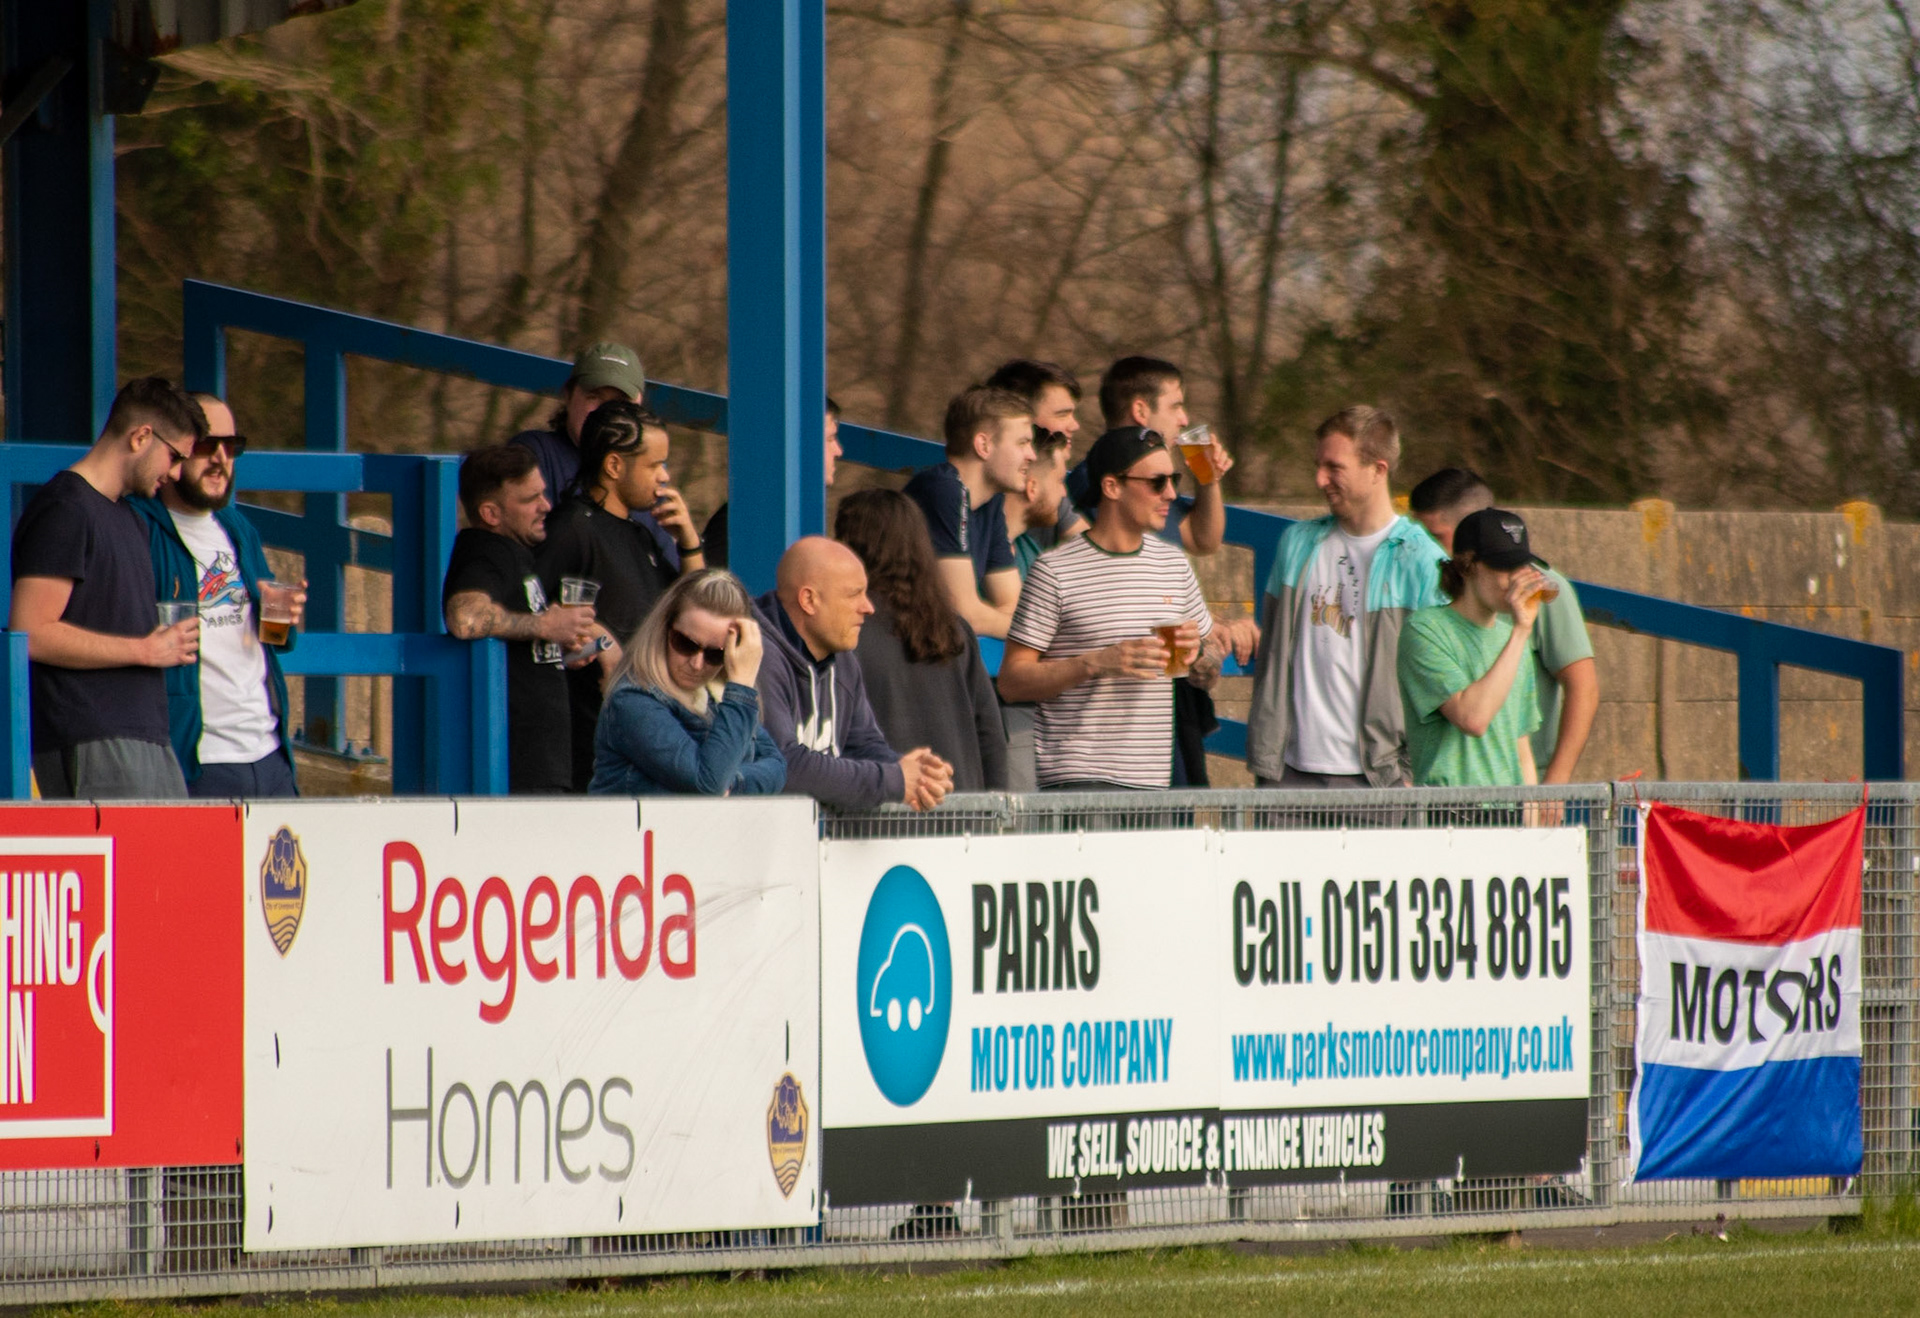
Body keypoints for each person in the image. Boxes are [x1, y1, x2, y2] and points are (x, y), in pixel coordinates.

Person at [1066, 356, 1258, 786]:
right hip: (1119, 705)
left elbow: (1204, 539)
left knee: (1178, 810)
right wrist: (1207, 624)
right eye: (1176, 405)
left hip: (1170, 690)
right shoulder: (1097, 480)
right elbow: (1108, 573)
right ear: (1140, 410)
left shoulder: (1156, 481)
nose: (1185, 419)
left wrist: (1208, 480)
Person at [9, 377, 204, 799]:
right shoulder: (66, 508)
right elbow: (31, 632)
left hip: (148, 736)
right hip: (91, 734)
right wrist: (144, 650)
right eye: (174, 457)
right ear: (141, 436)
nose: (175, 474)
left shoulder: (130, 518)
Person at [997, 427, 1219, 791]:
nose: (1171, 493)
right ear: (1112, 487)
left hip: (1152, 783)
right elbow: (1011, 682)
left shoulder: (1174, 564)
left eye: (1174, 480)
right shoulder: (1054, 571)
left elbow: (1209, 659)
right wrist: (1095, 663)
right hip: (1077, 781)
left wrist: (1201, 662)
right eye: (1157, 482)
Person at [1245, 406, 1447, 788]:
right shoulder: (1295, 544)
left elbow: (1443, 682)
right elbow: (1271, 648)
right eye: (1318, 466)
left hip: (1380, 778)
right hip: (1286, 773)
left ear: (1378, 470)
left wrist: (1410, 773)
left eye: (1334, 467)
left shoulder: (1423, 561)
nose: (1319, 479)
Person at [130, 394, 307, 797]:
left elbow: (273, 639)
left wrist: (280, 614)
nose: (221, 459)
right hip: (198, 757)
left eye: (232, 447)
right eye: (207, 445)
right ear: (175, 448)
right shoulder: (138, 526)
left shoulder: (237, 526)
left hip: (269, 750)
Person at [1408, 467, 1598, 784]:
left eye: (1437, 537)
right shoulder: (1426, 613)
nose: (1427, 550)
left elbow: (1583, 687)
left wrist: (1554, 784)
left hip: (1524, 783)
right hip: (1452, 791)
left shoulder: (1541, 589)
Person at [537, 402, 684, 790]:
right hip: (589, 753)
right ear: (615, 466)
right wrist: (597, 638)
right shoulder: (571, 528)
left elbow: (695, 615)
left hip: (649, 745)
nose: (665, 476)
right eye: (655, 465)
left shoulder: (641, 534)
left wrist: (689, 543)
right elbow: (531, 610)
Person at [443, 445, 603, 794]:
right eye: (531, 499)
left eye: (543, 493)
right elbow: (464, 617)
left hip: (545, 767)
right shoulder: (485, 552)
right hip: (516, 773)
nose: (546, 505)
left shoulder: (516, 554)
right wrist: (544, 625)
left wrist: (561, 645)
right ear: (491, 513)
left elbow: (519, 647)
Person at [752, 537, 953, 809]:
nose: (868, 607)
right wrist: (893, 779)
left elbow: (861, 745)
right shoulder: (757, 655)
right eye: (853, 594)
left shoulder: (842, 658)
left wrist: (915, 775)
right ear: (809, 600)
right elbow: (781, 764)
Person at [834, 489, 1008, 792]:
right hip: (962, 806)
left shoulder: (847, 630)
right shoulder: (955, 629)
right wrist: (996, 808)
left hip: (881, 805)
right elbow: (990, 735)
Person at [590, 569, 786, 796]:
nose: (696, 663)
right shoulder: (632, 700)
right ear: (664, 629)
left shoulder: (720, 696)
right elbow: (708, 782)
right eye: (686, 643)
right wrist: (741, 687)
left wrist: (731, 783)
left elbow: (777, 766)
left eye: (715, 654)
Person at [509, 342, 703, 572]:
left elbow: (680, 588)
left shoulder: (646, 479)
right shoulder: (535, 452)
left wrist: (689, 545)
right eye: (595, 397)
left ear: (640, 407)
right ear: (568, 395)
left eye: (621, 403)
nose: (607, 410)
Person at [1398, 508, 1548, 786]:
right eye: (1505, 567)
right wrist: (1520, 632)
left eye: (1522, 566)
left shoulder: (1513, 638)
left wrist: (1533, 812)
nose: (1518, 580)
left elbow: (1521, 751)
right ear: (1468, 566)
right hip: (1450, 808)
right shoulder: (1425, 629)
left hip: (1508, 807)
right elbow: (1472, 719)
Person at [901, 386, 1035, 639]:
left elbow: (1015, 608)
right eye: (1023, 443)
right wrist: (1030, 632)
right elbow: (965, 615)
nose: (1032, 455)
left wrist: (1017, 626)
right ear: (983, 445)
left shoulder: (990, 502)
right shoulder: (943, 490)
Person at [702, 398, 843, 570]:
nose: (838, 451)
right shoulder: (746, 523)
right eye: (830, 439)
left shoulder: (790, 516)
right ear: (798, 445)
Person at [986, 359, 1087, 567]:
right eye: (1062, 414)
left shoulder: (1049, 490)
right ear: (1021, 421)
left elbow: (1093, 553)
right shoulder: (971, 507)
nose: (1074, 425)